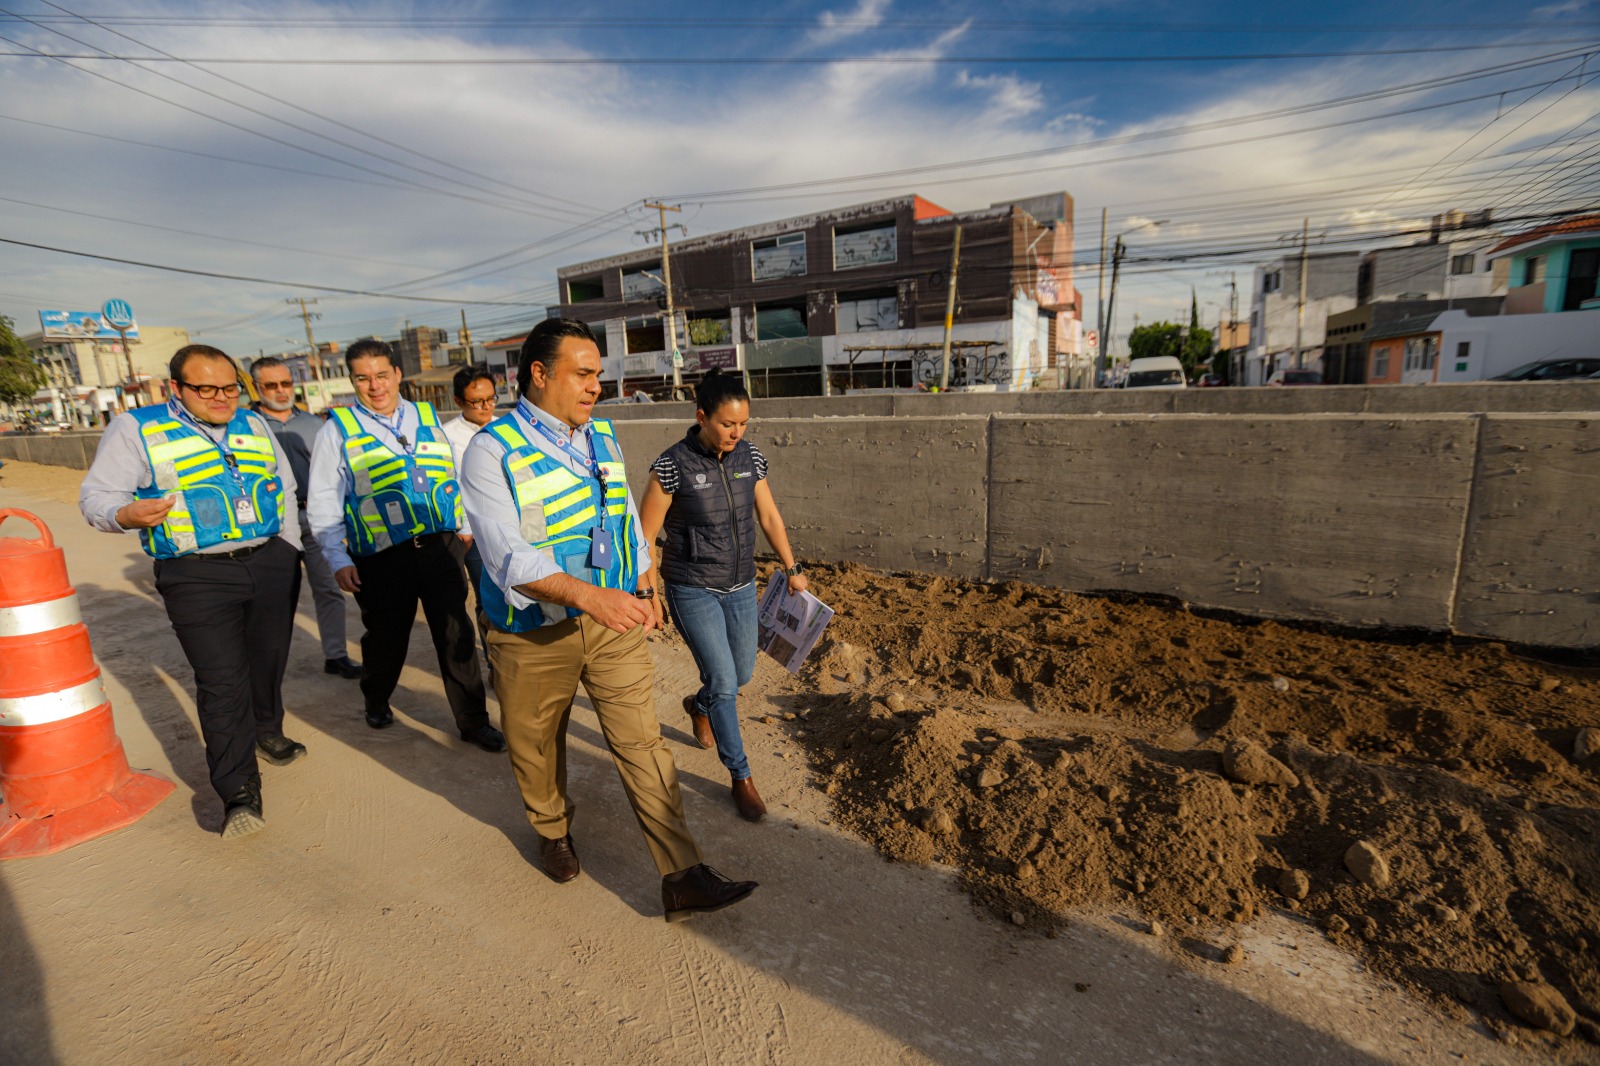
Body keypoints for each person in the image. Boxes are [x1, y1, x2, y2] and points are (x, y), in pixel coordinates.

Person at [458, 317, 757, 922]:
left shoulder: (602, 437)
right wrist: (593, 597)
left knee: (642, 742)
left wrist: (646, 581)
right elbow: (507, 556)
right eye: (584, 374)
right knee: (538, 746)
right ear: (539, 374)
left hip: (611, 622)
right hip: (532, 633)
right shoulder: (491, 451)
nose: (597, 386)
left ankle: (682, 873)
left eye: (599, 374)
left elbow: (624, 520)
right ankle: (551, 827)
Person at [78, 344, 303, 839]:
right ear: (175, 388)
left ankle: (266, 729)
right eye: (206, 389)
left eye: (229, 387)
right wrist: (124, 515)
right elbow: (96, 497)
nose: (222, 398)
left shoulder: (256, 424)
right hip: (196, 574)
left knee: (268, 660)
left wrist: (288, 548)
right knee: (223, 680)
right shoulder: (136, 429)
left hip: (269, 561)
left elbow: (282, 486)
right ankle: (240, 791)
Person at [305, 339, 505, 753]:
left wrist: (463, 525)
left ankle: (473, 721)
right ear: (353, 381)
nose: (374, 386)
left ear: (397, 374)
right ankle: (376, 697)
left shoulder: (428, 417)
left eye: (381, 375)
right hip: (380, 557)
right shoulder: (335, 431)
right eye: (363, 378)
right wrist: (337, 557)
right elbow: (324, 499)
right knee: (385, 638)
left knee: (456, 634)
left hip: (439, 546)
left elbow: (454, 475)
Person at [639, 370, 808, 823]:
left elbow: (768, 515)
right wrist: (649, 592)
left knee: (742, 673)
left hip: (739, 585)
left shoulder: (749, 457)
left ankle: (698, 704)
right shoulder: (672, 465)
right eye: (728, 424)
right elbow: (646, 535)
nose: (737, 432)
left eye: (744, 424)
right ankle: (741, 776)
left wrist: (792, 568)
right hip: (691, 588)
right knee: (727, 684)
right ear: (702, 417)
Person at [249, 356, 363, 681]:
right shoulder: (246, 426)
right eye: (271, 385)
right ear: (256, 388)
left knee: (327, 588)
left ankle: (336, 655)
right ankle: (268, 662)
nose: (281, 391)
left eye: (286, 383)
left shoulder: (317, 426)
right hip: (271, 523)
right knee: (274, 596)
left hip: (314, 518)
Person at [440, 363, 498, 666]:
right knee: (487, 596)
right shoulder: (446, 438)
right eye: (477, 402)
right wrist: (463, 529)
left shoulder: (504, 428)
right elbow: (450, 486)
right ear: (460, 402)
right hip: (472, 533)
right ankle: (494, 661)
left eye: (491, 399)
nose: (486, 407)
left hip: (508, 527)